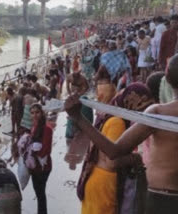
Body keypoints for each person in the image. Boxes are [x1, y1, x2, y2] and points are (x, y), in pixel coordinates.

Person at [65, 54, 178, 214]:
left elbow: (114, 151)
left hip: (161, 198)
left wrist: (78, 118)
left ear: (166, 77)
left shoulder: (158, 112)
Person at [29, 103, 53, 214]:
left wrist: (32, 151)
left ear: (42, 113)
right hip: (34, 166)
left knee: (40, 193)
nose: (35, 115)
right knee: (39, 193)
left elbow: (46, 150)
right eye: (32, 113)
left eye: (37, 112)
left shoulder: (47, 129)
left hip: (43, 167)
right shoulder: (34, 127)